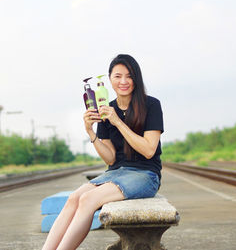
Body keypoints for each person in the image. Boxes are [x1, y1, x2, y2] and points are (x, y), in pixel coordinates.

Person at [42, 54, 164, 250]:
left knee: (88, 199)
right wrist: (90, 131)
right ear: (110, 79)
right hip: (116, 172)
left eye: (129, 76)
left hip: (145, 174)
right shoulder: (106, 109)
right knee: (74, 198)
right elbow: (110, 157)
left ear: (136, 78)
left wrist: (118, 122)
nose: (123, 81)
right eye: (117, 76)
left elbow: (149, 150)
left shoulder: (151, 105)